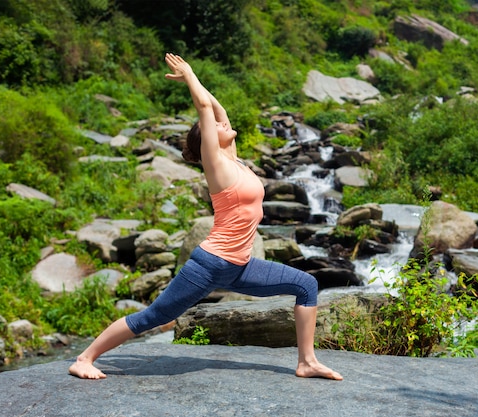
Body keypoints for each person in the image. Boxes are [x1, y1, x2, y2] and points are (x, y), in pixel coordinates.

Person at [68, 53, 343, 381]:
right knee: (154, 316)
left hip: (240, 266)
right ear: (208, 143)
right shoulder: (217, 167)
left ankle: (307, 361)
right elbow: (203, 110)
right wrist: (190, 76)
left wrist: (200, 88)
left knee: (307, 284)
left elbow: (215, 109)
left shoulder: (235, 160)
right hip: (211, 264)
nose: (222, 122)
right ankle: (85, 358)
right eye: (215, 127)